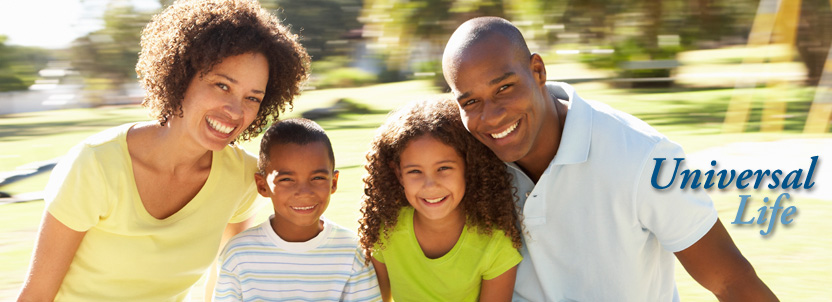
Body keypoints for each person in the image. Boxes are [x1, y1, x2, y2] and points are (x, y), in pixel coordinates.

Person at [441, 16, 778, 301]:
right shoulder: (461, 163)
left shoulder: (645, 158)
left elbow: (732, 281)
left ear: (538, 71)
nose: (491, 116)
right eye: (471, 102)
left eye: (504, 88)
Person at [17, 0, 310, 301]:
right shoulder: (96, 165)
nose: (235, 111)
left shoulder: (242, 177)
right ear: (181, 76)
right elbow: (37, 292)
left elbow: (225, 279)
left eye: (252, 97)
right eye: (222, 86)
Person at [359, 98, 523, 302]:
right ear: (399, 174)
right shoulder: (385, 231)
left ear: (468, 167)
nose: (430, 185)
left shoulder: (495, 245)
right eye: (415, 171)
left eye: (443, 168)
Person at [213, 118, 382, 301]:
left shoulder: (352, 251)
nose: (304, 192)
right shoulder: (238, 254)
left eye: (317, 178)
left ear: (333, 183)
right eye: (286, 180)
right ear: (263, 186)